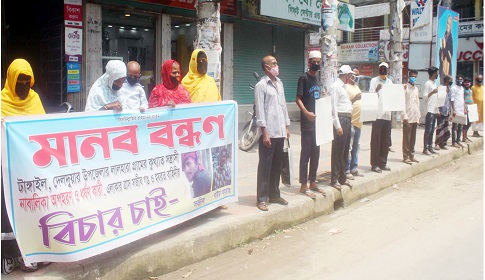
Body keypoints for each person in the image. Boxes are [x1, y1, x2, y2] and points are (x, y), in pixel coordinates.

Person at [1, 58, 48, 273]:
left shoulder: (34, 99)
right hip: (9, 170)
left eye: (26, 82)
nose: (22, 86)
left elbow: (43, 128)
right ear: (11, 80)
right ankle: (14, 255)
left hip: (31, 168)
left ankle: (38, 253)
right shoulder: (2, 102)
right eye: (19, 81)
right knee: (11, 214)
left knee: (34, 209)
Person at [255, 55, 291, 211]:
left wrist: (287, 127)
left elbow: (283, 107)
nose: (277, 66)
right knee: (265, 165)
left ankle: (274, 194)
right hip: (269, 132)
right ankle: (262, 198)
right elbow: (260, 110)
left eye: (277, 62)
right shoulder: (261, 85)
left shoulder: (279, 83)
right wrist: (265, 132)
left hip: (280, 130)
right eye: (274, 63)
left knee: (277, 164)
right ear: (266, 67)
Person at [295, 50, 325, 198]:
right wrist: (306, 113)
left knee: (316, 154)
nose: (317, 64)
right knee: (305, 154)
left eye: (319, 62)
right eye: (315, 62)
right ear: (309, 62)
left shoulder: (318, 79)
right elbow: (298, 98)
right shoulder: (303, 78)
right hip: (307, 124)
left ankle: (313, 181)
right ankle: (303, 185)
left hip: (318, 125)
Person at [329, 65, 354, 190]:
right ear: (345, 75)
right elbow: (333, 108)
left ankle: (342, 177)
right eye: (349, 75)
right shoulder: (335, 87)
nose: (350, 77)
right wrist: (337, 125)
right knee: (338, 151)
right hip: (341, 119)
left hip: (348, 118)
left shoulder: (344, 87)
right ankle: (334, 179)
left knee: (345, 151)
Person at [369, 62, 393, 173]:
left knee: (385, 140)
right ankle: (375, 164)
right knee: (376, 140)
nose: (383, 71)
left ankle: (383, 162)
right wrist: (376, 91)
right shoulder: (374, 81)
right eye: (381, 69)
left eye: (385, 69)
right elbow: (370, 96)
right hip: (377, 115)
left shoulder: (390, 82)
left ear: (388, 70)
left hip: (387, 115)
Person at [345, 66, 364, 178]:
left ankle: (354, 168)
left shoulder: (357, 87)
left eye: (357, 74)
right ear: (349, 75)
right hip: (351, 121)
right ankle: (347, 169)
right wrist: (355, 99)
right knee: (349, 147)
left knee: (356, 147)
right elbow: (345, 104)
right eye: (353, 74)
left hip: (359, 122)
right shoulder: (346, 87)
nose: (355, 76)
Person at [401, 70, 421, 164]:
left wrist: (419, 115)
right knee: (407, 138)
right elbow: (402, 103)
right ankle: (406, 156)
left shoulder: (416, 89)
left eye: (415, 76)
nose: (414, 78)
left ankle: (411, 155)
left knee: (413, 137)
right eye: (412, 76)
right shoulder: (405, 88)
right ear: (409, 77)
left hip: (415, 115)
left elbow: (417, 102)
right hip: (407, 116)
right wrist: (404, 115)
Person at [422, 66, 439, 155]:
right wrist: (432, 92)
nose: (437, 75)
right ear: (433, 74)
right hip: (429, 110)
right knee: (428, 130)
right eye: (436, 73)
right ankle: (425, 148)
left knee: (432, 130)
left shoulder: (434, 83)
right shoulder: (427, 84)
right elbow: (424, 97)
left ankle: (430, 146)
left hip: (434, 109)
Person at [435, 75, 453, 150]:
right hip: (441, 111)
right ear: (447, 80)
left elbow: (450, 101)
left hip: (447, 111)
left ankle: (443, 144)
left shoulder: (450, 89)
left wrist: (451, 112)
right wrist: (438, 110)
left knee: (446, 128)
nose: (451, 82)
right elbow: (437, 99)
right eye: (450, 80)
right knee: (440, 128)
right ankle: (437, 144)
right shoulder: (441, 88)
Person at [450, 74, 466, 148]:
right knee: (454, 127)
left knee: (460, 126)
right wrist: (453, 109)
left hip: (461, 109)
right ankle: (453, 142)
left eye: (461, 79)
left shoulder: (462, 88)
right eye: (459, 79)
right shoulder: (453, 88)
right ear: (456, 80)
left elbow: (463, 99)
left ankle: (458, 140)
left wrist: (465, 108)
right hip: (456, 109)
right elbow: (452, 99)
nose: (460, 81)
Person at [439, 15, 453, 84]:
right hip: (442, 62)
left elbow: (450, 54)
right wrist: (442, 49)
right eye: (447, 25)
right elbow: (441, 51)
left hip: (447, 63)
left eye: (449, 25)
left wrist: (444, 49)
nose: (448, 27)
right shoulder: (443, 38)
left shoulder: (450, 39)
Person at [462, 77, 474, 143]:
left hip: (471, 107)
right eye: (465, 82)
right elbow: (462, 100)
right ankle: (464, 137)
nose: (467, 83)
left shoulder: (470, 90)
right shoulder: (463, 90)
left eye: (468, 82)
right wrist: (465, 108)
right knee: (466, 123)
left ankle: (466, 137)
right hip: (466, 108)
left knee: (469, 123)